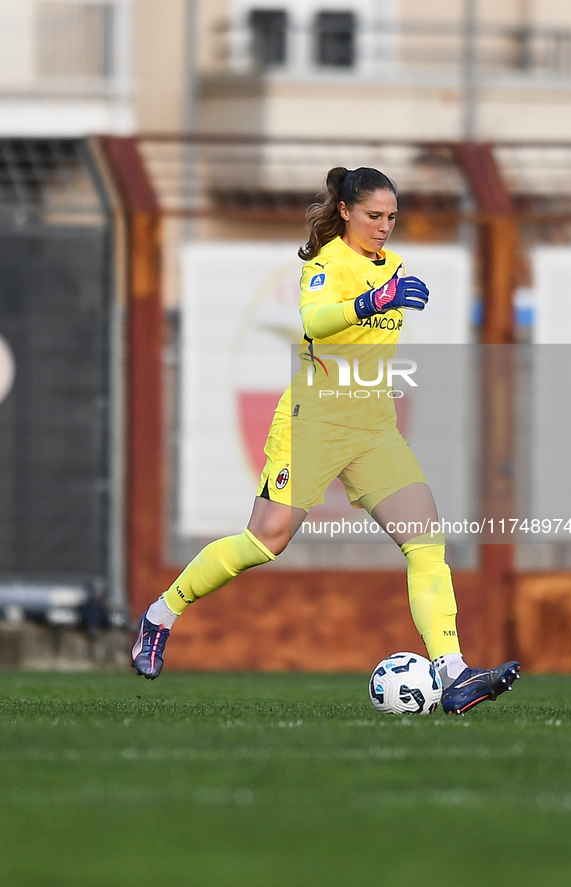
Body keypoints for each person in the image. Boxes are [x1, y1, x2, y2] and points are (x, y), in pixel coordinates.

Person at [132, 166, 520, 715]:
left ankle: (454, 673)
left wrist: (385, 293)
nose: (384, 227)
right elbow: (316, 321)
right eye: (373, 216)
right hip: (313, 423)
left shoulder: (393, 265)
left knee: (428, 544)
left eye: (391, 217)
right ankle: (160, 615)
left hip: (373, 427)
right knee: (266, 539)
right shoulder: (327, 264)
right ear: (345, 212)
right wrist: (374, 300)